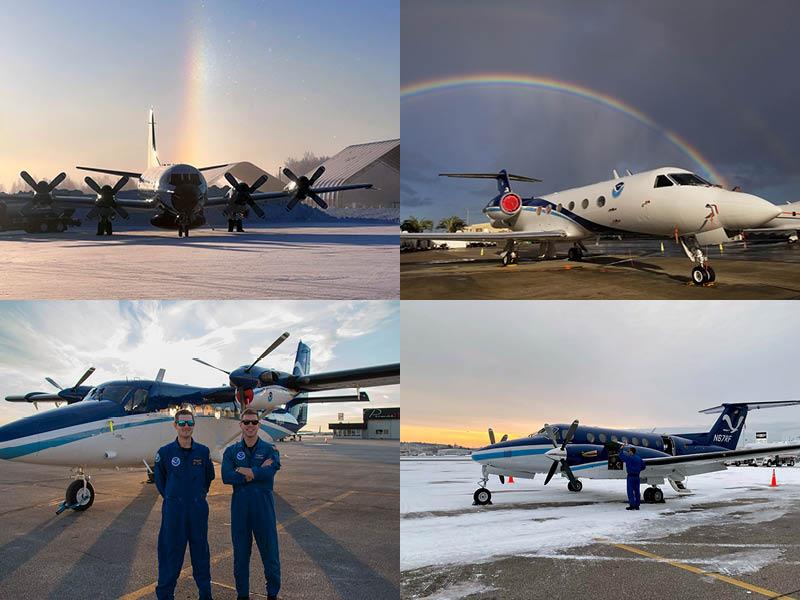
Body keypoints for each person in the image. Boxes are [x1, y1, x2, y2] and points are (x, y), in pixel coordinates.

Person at [154, 408, 215, 600]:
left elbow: (209, 478)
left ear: (194, 426)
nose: (186, 427)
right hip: (174, 513)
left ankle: (205, 595)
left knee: (201, 555)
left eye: (189, 423)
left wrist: (197, 496)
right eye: (182, 423)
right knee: (170, 554)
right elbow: (160, 481)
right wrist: (174, 498)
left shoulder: (203, 452)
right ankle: (165, 595)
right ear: (175, 425)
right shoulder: (164, 453)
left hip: (197, 511)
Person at [222, 408, 282, 600]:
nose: (250, 426)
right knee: (240, 558)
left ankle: (272, 594)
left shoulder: (269, 449)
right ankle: (242, 596)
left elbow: (270, 471)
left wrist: (244, 471)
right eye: (246, 422)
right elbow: (226, 476)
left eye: (253, 422)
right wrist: (255, 473)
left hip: (263, 510)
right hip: (240, 512)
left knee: (270, 556)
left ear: (259, 425)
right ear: (240, 425)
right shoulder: (231, 451)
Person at [617, 446, 646, 510]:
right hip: (637, 476)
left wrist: (621, 449)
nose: (628, 452)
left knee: (630, 491)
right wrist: (638, 470)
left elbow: (621, 456)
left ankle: (632, 505)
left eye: (629, 451)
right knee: (637, 491)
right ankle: (637, 505)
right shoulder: (639, 458)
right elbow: (643, 466)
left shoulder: (629, 458)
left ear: (632, 452)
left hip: (631, 476)